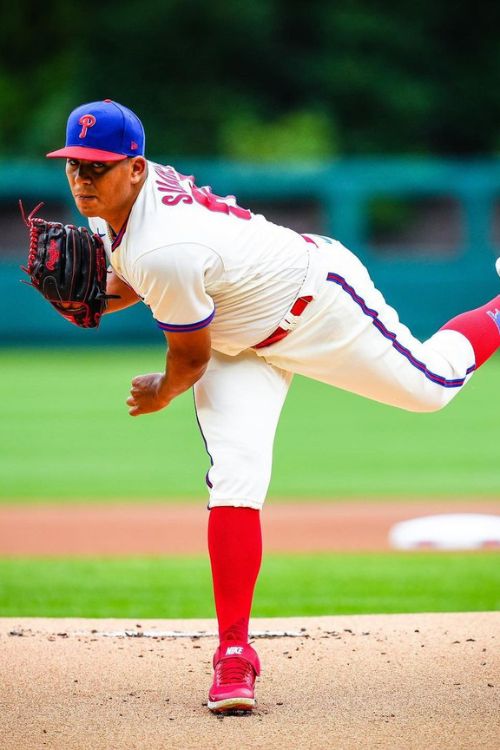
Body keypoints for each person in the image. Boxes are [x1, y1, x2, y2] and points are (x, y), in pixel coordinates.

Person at [46, 99, 500, 713]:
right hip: (241, 339)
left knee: (433, 388)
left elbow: (187, 359)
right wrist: (100, 292)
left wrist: (159, 392)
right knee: (236, 477)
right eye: (74, 164)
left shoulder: (163, 245)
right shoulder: (129, 216)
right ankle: (234, 656)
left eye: (96, 168)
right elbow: (137, 279)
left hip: (316, 306)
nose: (82, 179)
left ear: (135, 167)